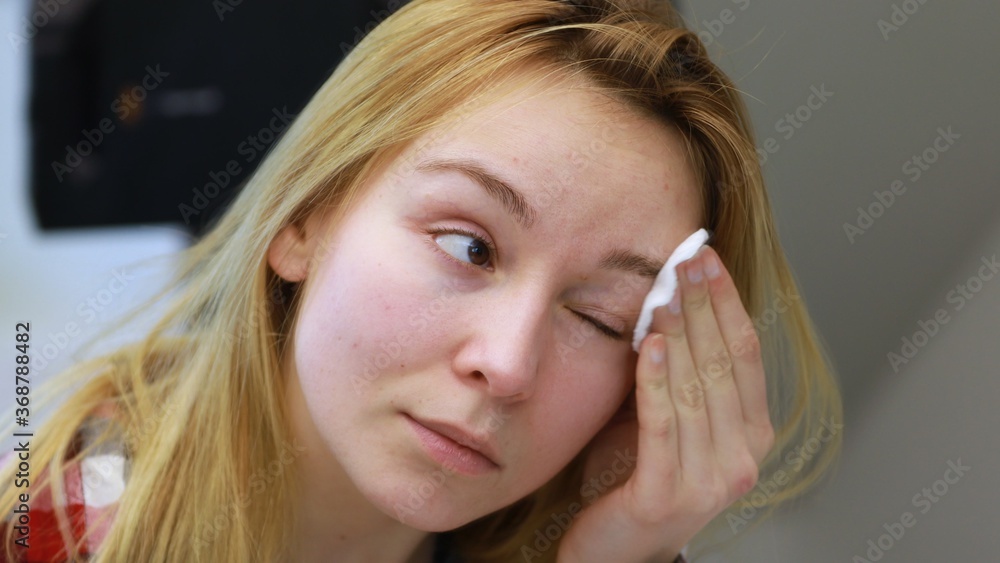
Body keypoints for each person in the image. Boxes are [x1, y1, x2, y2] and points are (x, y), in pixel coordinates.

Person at [0, 0, 843, 561]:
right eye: (469, 247)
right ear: (304, 216)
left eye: (602, 316)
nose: (508, 365)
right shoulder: (56, 520)